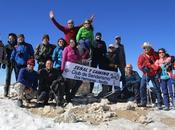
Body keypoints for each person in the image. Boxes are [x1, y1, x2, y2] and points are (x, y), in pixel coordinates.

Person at [137, 42, 162, 109]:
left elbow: (161, 58)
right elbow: (139, 64)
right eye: (144, 48)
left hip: (154, 73)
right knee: (142, 86)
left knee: (157, 87)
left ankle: (160, 102)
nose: (145, 49)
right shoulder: (142, 56)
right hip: (146, 74)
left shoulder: (155, 54)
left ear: (150, 48)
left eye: (147, 47)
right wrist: (143, 68)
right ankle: (143, 102)